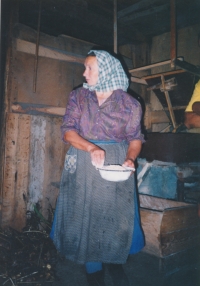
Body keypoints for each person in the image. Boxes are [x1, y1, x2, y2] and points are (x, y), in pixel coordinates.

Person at [50, 50, 145, 286]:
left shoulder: (130, 103)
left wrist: (131, 158)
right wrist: (91, 148)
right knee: (86, 214)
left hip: (116, 163)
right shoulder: (79, 96)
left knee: (114, 214)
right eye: (85, 67)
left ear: (107, 71)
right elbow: (68, 131)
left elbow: (135, 138)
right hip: (84, 160)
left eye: (90, 68)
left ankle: (114, 262)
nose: (84, 73)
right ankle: (93, 270)